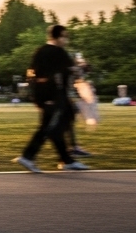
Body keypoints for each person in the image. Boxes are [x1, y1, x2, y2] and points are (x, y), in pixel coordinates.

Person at [13, 25, 89, 173]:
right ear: (57, 37)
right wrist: (84, 67)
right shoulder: (58, 52)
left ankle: (65, 159)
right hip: (55, 94)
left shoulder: (40, 51)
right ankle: (29, 156)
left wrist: (36, 95)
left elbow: (32, 73)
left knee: (61, 119)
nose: (66, 40)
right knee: (53, 127)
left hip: (42, 94)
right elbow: (74, 71)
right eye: (64, 36)